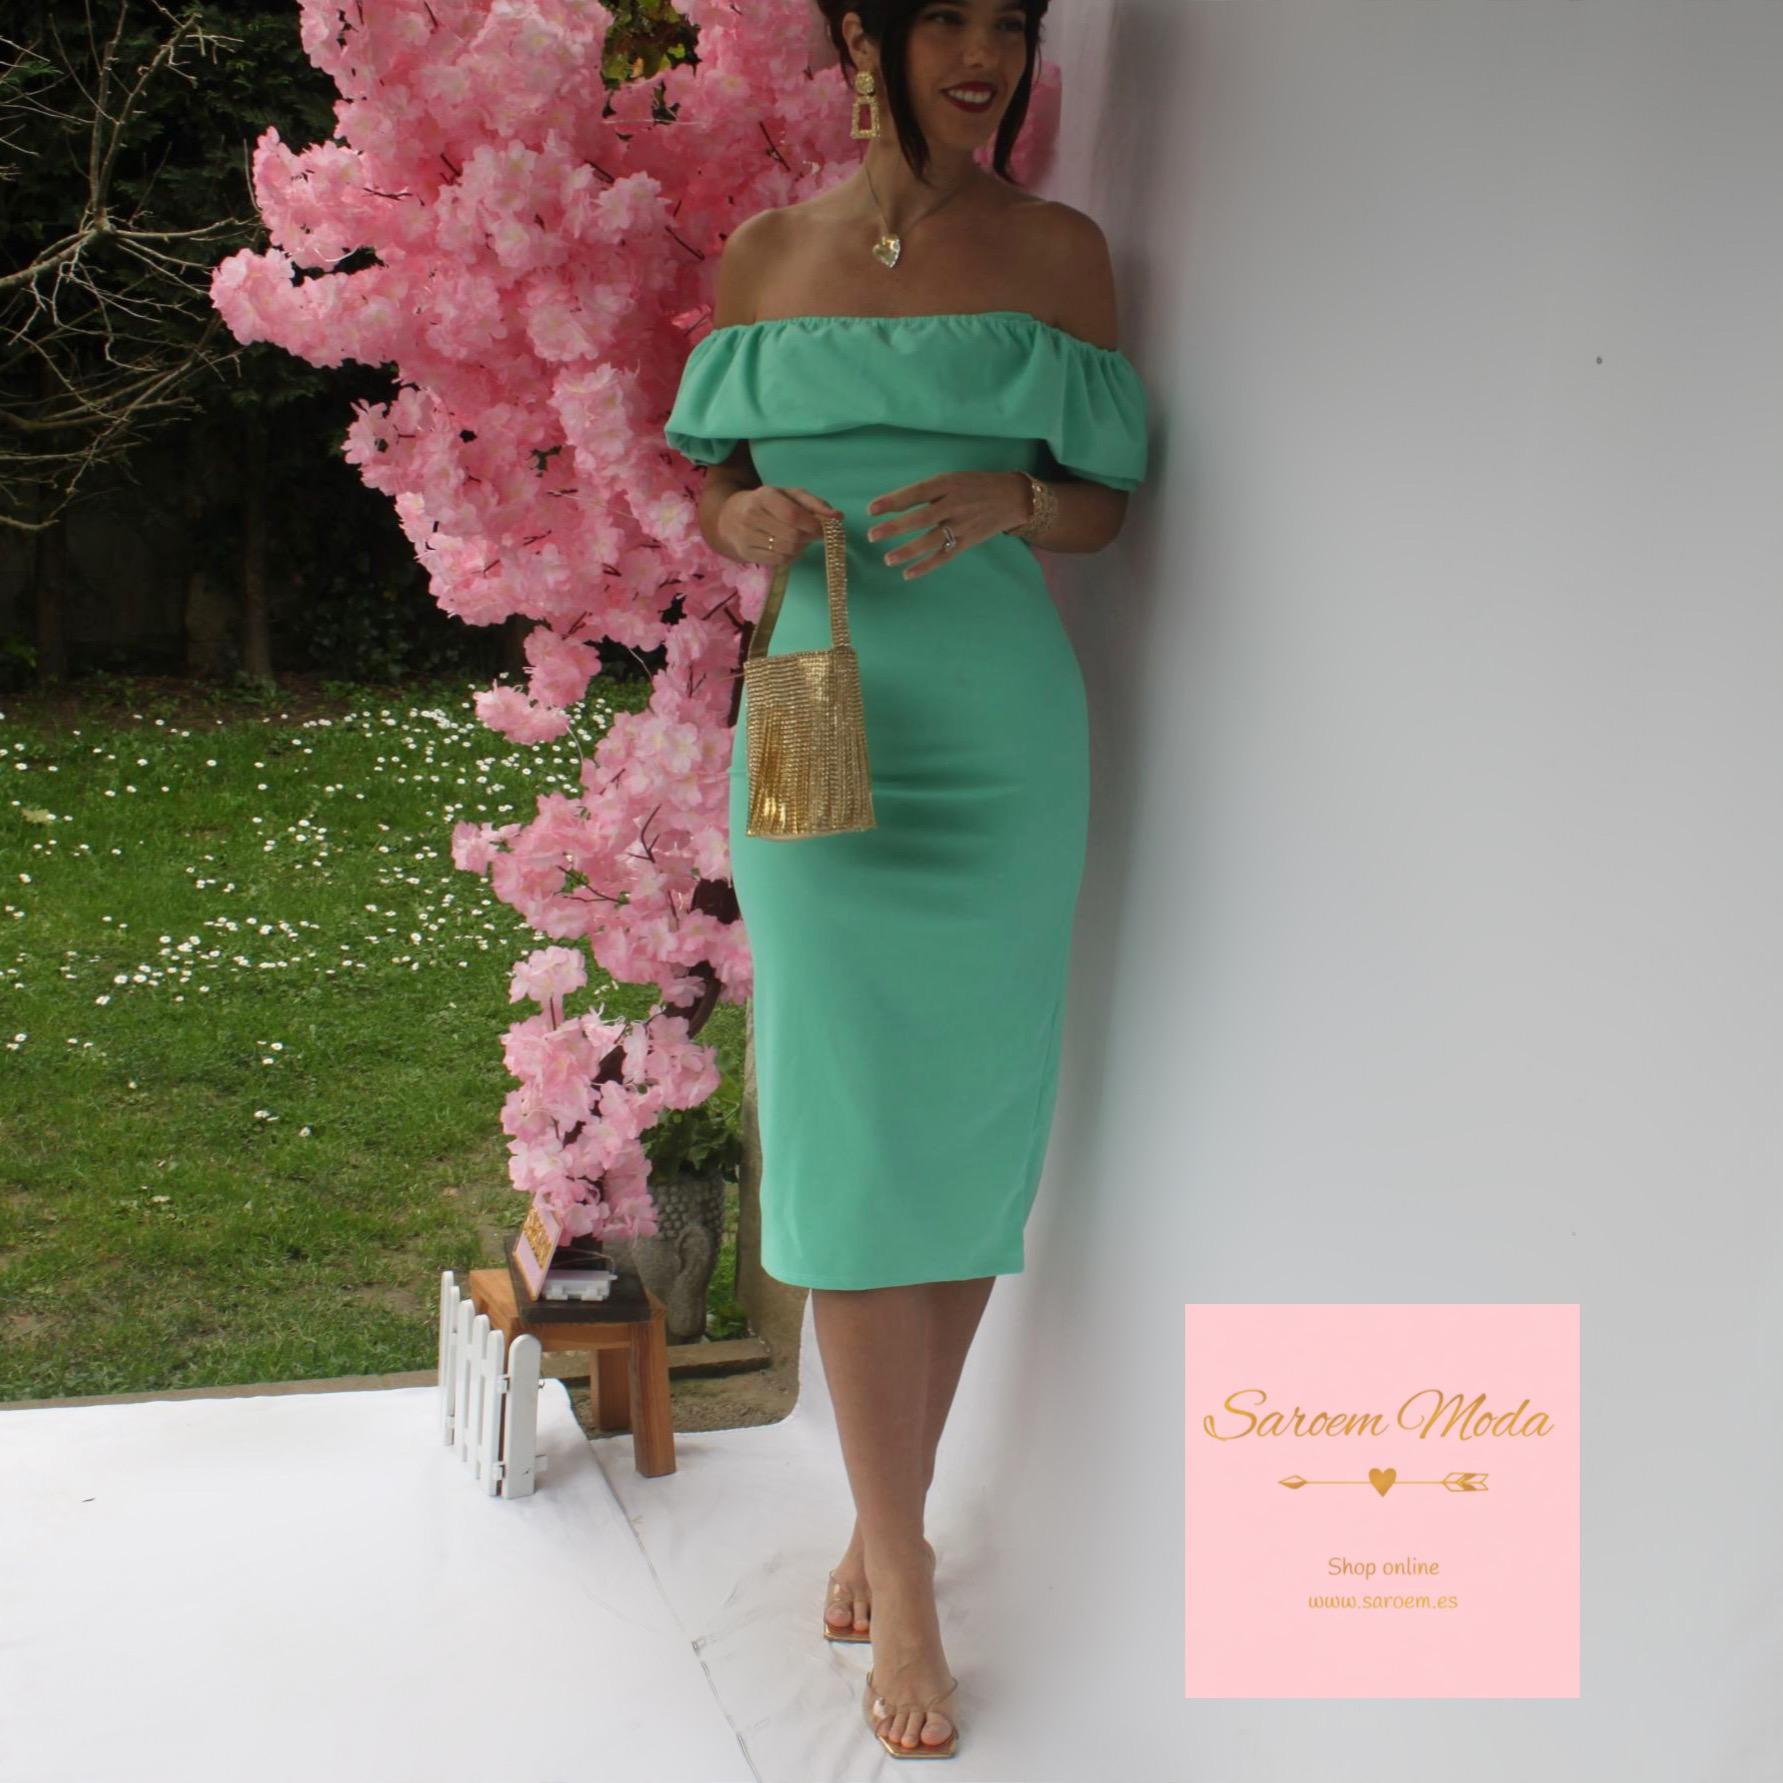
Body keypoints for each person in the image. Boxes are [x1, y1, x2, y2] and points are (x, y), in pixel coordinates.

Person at [663, 0, 1149, 1759]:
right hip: (812, 710)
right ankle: (909, 1566)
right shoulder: (766, 256)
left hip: (998, 739)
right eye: (944, 15)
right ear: (864, 36)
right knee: (852, 1121)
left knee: (959, 1130)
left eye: (1009, 23)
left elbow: (1105, 498)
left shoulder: (1059, 255)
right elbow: (715, 485)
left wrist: (1017, 502)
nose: (982, 54)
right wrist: (746, 524)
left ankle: (887, 1518)